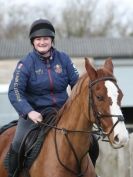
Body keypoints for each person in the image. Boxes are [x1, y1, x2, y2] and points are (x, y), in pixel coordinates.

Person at [7, 19, 99, 177]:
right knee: (17, 143)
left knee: (93, 141)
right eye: (38, 39)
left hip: (61, 112)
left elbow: (77, 85)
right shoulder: (26, 64)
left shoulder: (64, 59)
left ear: (51, 40)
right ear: (33, 42)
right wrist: (29, 112)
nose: (42, 42)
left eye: (45, 38)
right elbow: (14, 91)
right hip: (35, 115)